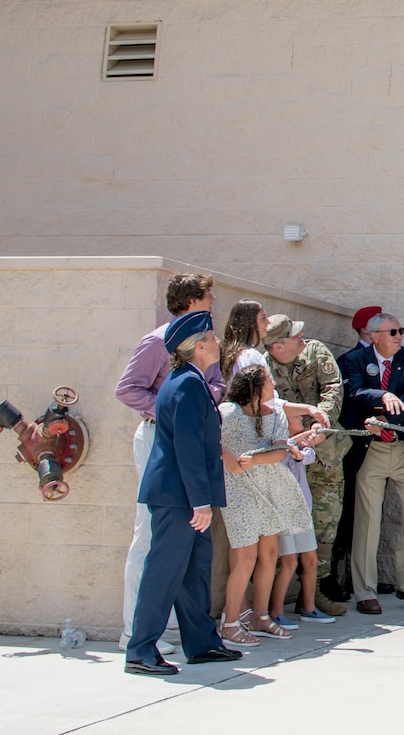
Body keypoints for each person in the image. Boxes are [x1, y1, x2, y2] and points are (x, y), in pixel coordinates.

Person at [125, 311, 237, 676]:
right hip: (179, 497)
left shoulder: (190, 380)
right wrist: (200, 501)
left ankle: (202, 643)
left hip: (182, 495)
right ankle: (141, 649)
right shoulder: (187, 384)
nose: (219, 342)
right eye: (214, 337)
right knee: (165, 570)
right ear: (199, 346)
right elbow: (188, 448)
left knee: (193, 572)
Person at [113, 272, 218, 656]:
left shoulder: (203, 349)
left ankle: (189, 635)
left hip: (188, 435)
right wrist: (168, 411)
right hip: (161, 437)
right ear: (192, 300)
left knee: (188, 543)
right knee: (152, 536)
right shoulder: (159, 341)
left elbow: (215, 385)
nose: (213, 305)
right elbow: (128, 388)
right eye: (209, 298)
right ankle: (135, 634)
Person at [215, 363, 313, 647]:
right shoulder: (227, 414)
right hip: (238, 490)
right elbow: (211, 440)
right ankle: (231, 623)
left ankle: (260, 615)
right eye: (269, 380)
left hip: (270, 489)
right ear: (256, 388)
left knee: (269, 553)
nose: (273, 385)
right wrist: (229, 459)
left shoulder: (275, 416)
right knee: (246, 557)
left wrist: (256, 460)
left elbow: (281, 450)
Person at [343, 311, 404, 614]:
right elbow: (354, 392)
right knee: (368, 520)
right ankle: (364, 591)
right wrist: (383, 395)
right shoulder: (354, 360)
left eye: (400, 331)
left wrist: (384, 418)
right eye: (392, 332)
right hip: (372, 452)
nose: (399, 337)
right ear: (373, 336)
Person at [263, 314, 347, 619]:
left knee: (326, 523)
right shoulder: (263, 368)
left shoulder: (315, 351)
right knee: (281, 528)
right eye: (294, 336)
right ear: (276, 346)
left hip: (325, 455)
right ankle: (272, 600)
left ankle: (316, 592)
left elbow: (333, 389)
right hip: (285, 460)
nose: (302, 337)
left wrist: (320, 423)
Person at [325, 304, 383, 602]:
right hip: (356, 442)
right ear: (366, 331)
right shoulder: (349, 360)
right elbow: (354, 396)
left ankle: (365, 573)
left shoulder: (390, 359)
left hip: (383, 443)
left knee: (372, 510)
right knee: (345, 509)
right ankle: (336, 575)